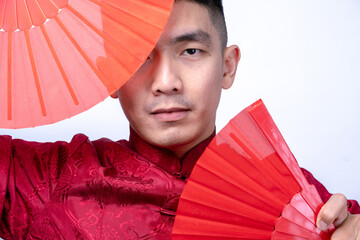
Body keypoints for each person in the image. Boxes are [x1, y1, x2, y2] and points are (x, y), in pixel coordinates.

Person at [0, 0, 359, 239]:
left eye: (190, 51)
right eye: (139, 57)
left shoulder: (305, 200)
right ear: (109, 75)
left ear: (227, 66)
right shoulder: (43, 179)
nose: (166, 82)